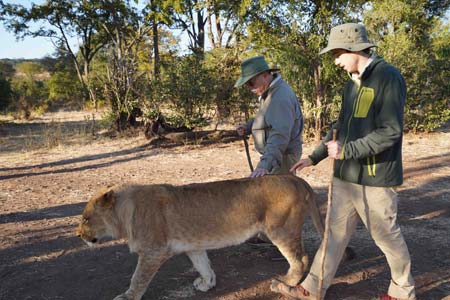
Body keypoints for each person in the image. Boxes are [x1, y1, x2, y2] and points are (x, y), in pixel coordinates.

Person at [270, 23, 416, 300]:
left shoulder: (388, 77)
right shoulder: (351, 85)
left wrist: (347, 150)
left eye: (337, 53)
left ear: (354, 49)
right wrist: (315, 156)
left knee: (386, 236)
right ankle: (313, 288)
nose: (335, 60)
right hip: (345, 176)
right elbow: (340, 127)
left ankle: (403, 292)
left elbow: (390, 132)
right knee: (333, 234)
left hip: (376, 177)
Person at [235, 55, 304, 178]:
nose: (250, 88)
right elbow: (265, 118)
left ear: (265, 75)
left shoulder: (279, 97)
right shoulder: (270, 92)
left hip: (283, 157)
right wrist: (249, 126)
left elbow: (279, 134)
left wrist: (264, 165)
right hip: (277, 156)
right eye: (247, 85)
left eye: (251, 82)